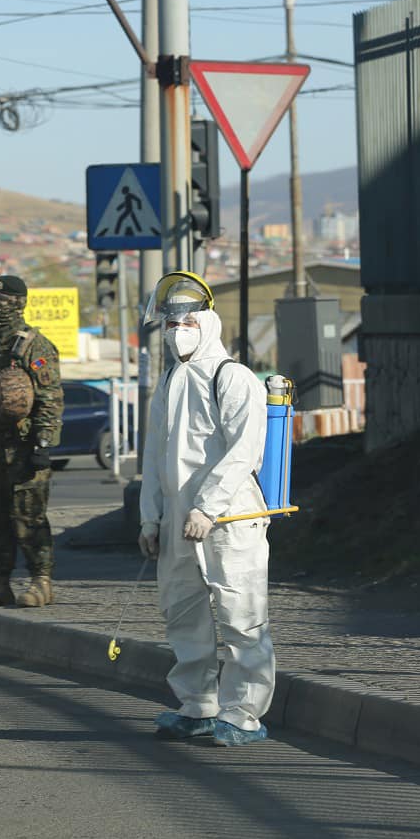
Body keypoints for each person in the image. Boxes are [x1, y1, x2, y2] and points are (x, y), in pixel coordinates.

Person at [137, 271, 275, 747]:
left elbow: (244, 450)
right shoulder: (171, 380)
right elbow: (155, 455)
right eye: (171, 323)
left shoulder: (232, 377)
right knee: (183, 612)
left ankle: (243, 714)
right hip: (178, 519)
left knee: (241, 614)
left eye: (188, 321)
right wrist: (150, 517)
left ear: (208, 322)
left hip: (230, 518)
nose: (178, 331)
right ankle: (197, 705)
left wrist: (208, 506)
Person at [0, 275, 64, 609]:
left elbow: (50, 397)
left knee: (29, 517)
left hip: (23, 447)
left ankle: (41, 581)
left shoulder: (34, 345)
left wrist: (43, 444)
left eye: (3, 302)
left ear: (20, 303)